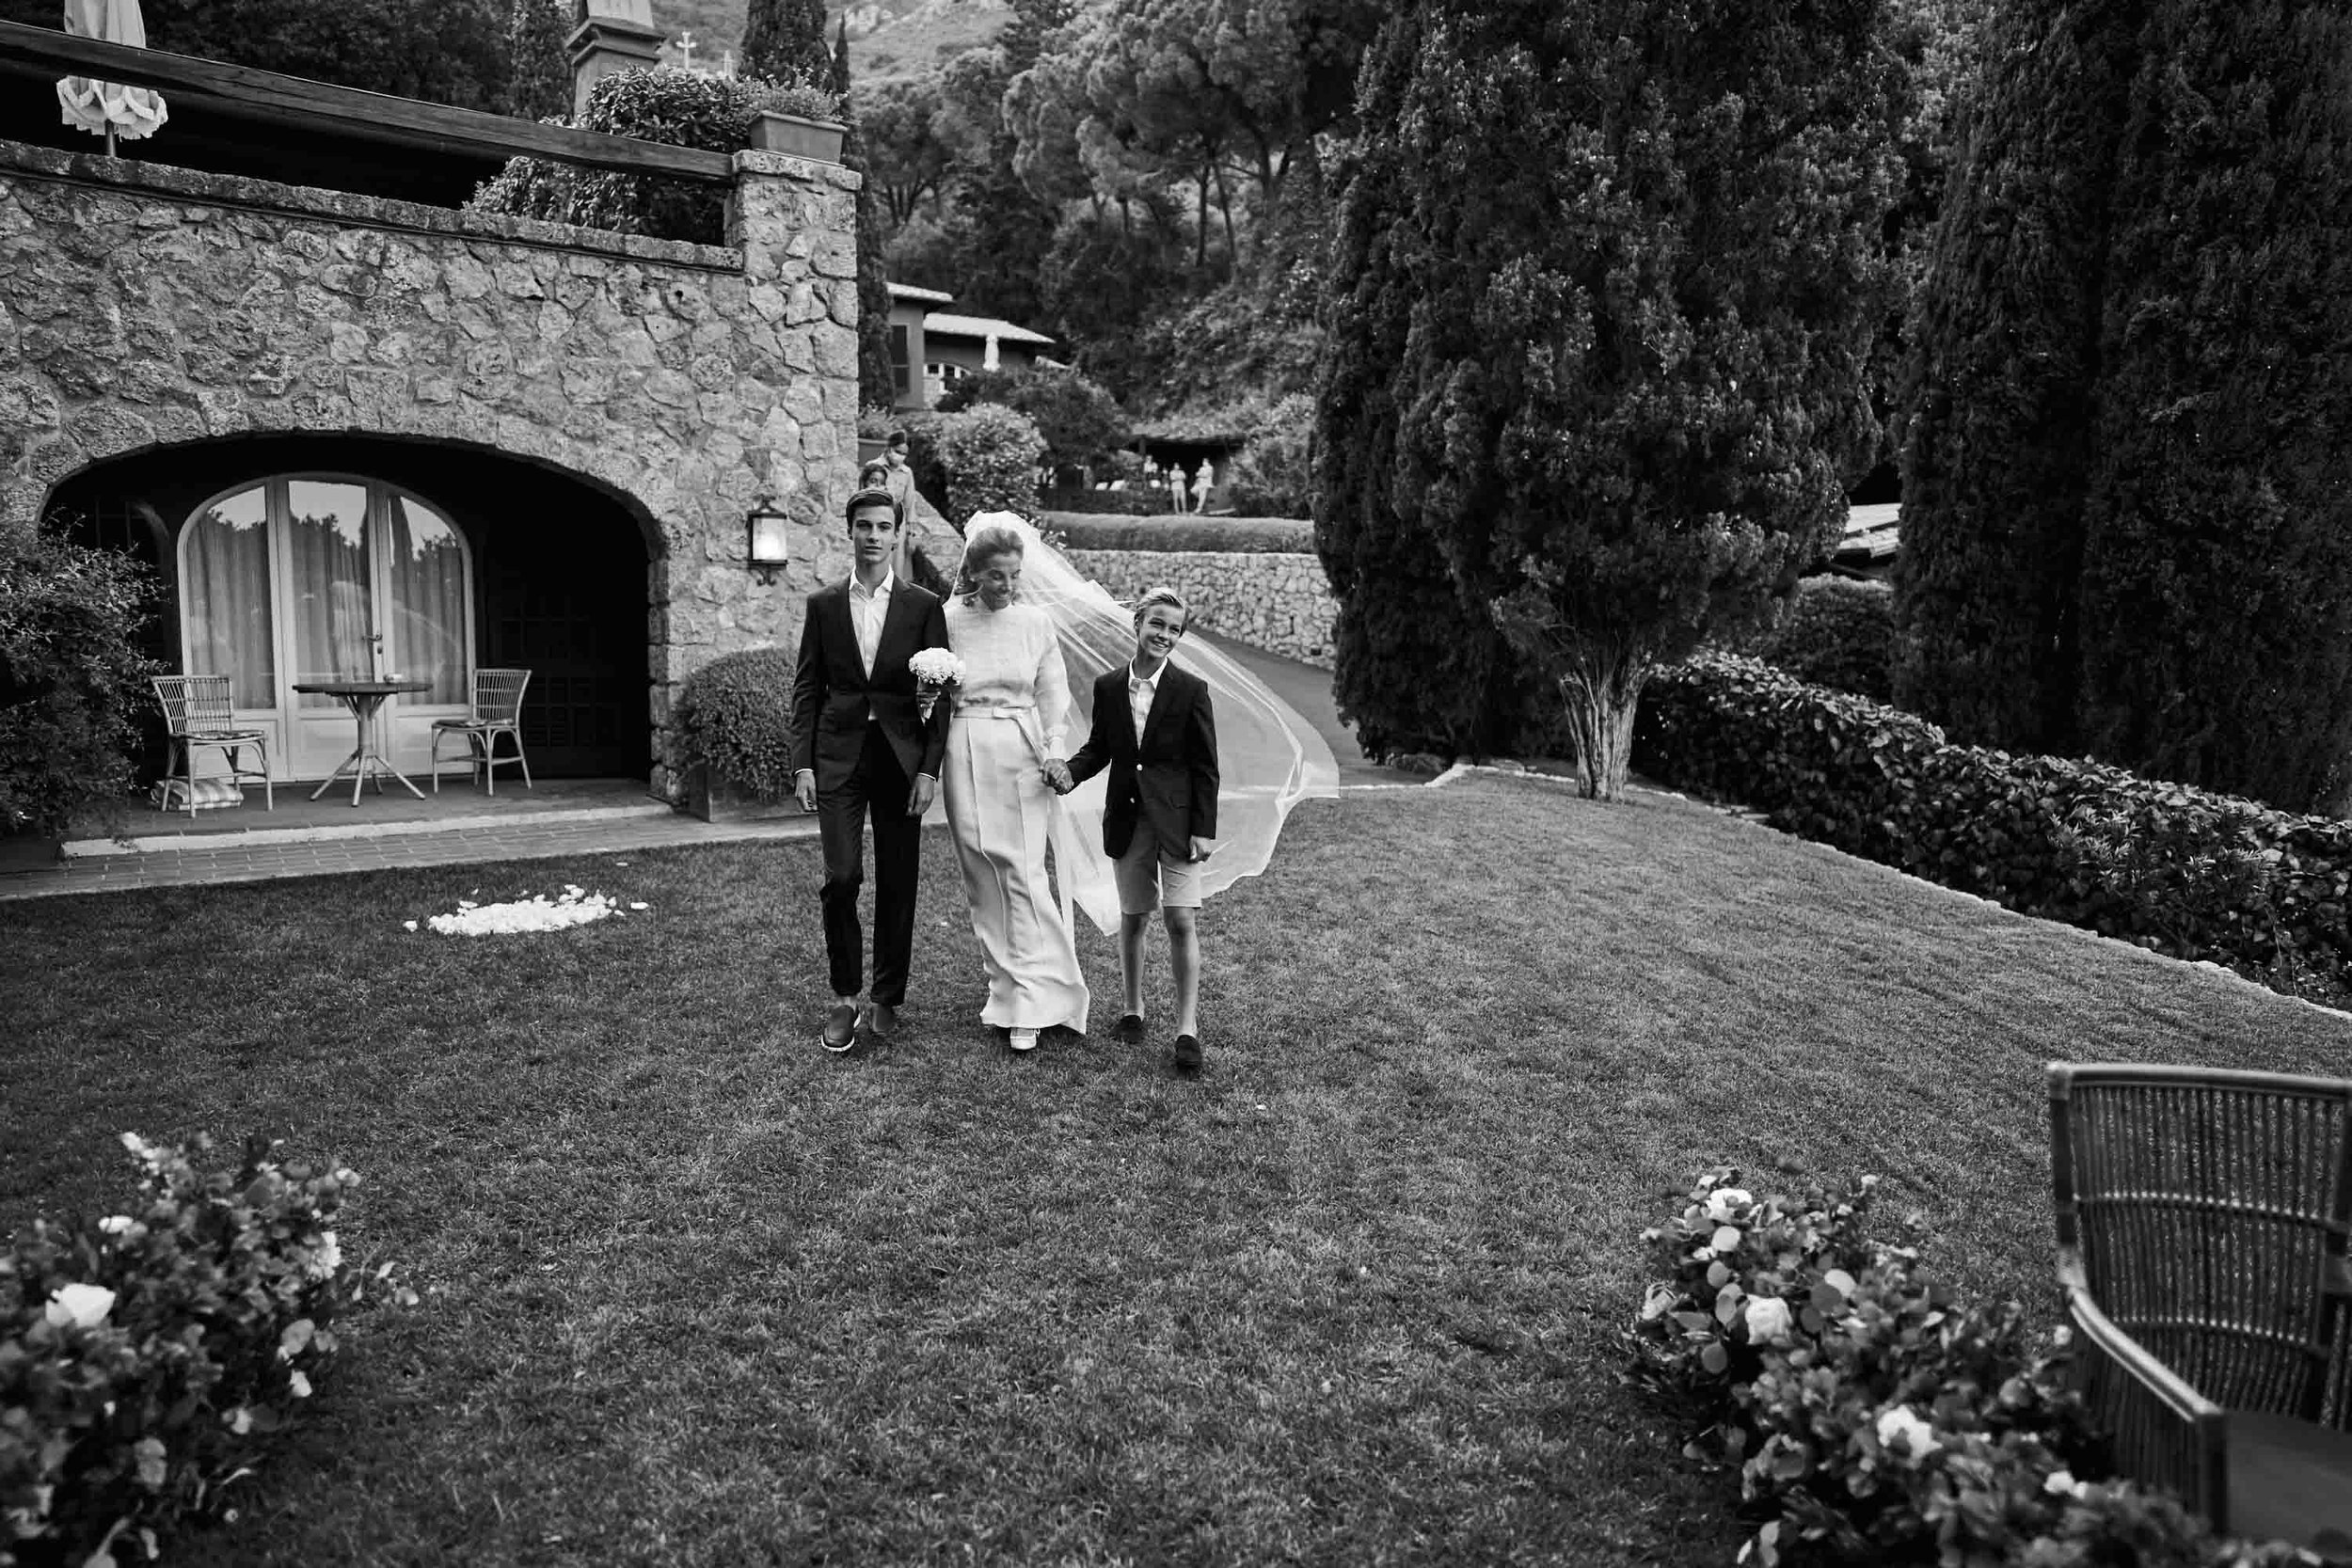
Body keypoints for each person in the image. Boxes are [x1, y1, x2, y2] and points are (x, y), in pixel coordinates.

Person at [790, 488, 952, 1053]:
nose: (875, 536)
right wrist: (802, 763)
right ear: (850, 532)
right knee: (841, 878)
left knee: (899, 880)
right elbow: (808, 687)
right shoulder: (824, 604)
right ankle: (844, 997)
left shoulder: (924, 606)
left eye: (885, 526)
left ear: (898, 533)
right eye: (865, 526)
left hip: (901, 760)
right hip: (838, 756)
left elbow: (941, 697)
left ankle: (887, 995)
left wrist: (929, 770)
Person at [939, 524, 1091, 1053]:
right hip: (963, 745)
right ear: (974, 574)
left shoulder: (1035, 621)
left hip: (1023, 749)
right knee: (981, 870)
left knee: (1023, 872)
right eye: (996, 576)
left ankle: (1034, 998)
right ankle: (1002, 988)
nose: (1006, 585)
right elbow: (929, 690)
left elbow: (1053, 690)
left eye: (1013, 575)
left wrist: (1054, 748)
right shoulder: (947, 621)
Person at [1060, 588, 1220, 1078]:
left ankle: (1187, 1029)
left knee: (1180, 919)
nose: (1164, 635)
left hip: (1178, 822)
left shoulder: (1192, 690)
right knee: (1134, 917)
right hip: (1128, 819)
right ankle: (1133, 1011)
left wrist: (1204, 828)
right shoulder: (1109, 687)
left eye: (1174, 629)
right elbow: (1099, 749)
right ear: (1137, 623)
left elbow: (1206, 765)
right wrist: (1069, 771)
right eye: (1157, 624)